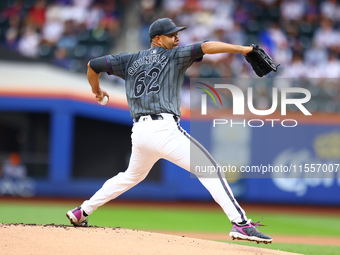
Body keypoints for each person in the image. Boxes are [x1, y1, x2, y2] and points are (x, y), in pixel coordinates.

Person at [66, 18, 272, 244]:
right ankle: (241, 224)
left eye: (177, 34)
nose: (177, 38)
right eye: (171, 35)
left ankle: (82, 212)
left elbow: (92, 65)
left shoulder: (129, 60)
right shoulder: (174, 55)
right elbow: (205, 46)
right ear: (157, 39)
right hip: (164, 129)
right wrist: (241, 49)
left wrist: (97, 91)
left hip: (140, 132)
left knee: (130, 176)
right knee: (210, 169)